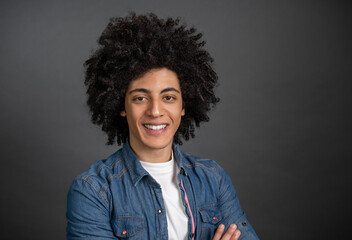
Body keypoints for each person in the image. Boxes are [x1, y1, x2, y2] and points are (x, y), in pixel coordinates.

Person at [66, 13, 259, 240]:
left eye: (168, 97)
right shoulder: (93, 190)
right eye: (140, 98)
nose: (155, 111)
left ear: (184, 105)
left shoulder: (213, 178)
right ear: (122, 106)